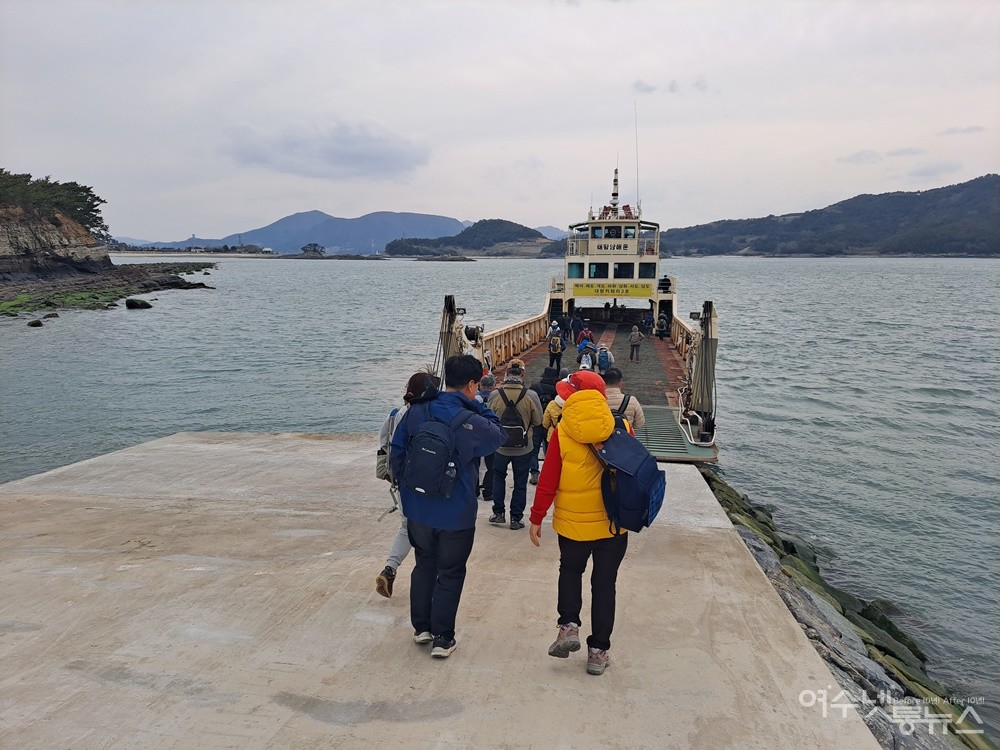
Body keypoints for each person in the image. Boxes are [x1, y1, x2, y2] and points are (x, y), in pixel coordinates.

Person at [390, 354, 505, 658]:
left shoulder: (416, 411)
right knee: (451, 571)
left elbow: (396, 455)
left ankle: (422, 628)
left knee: (424, 563)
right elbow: (498, 435)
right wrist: (478, 403)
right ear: (471, 384)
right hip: (455, 510)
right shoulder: (471, 419)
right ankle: (443, 638)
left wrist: (408, 493)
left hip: (418, 508)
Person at [528, 369, 631, 676]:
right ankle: (598, 653)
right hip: (614, 523)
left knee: (570, 571)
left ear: (572, 396)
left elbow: (548, 479)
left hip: (572, 524)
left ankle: (568, 627)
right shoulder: (621, 425)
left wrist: (536, 517)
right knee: (604, 585)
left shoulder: (561, 430)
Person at [375, 371, 440, 598]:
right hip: (430, 480)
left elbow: (383, 442)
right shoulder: (429, 414)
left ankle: (390, 568)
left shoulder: (394, 415)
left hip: (402, 480)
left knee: (406, 526)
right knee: (435, 528)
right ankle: (433, 578)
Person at [487, 358, 543, 530]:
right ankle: (516, 518)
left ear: (507, 374)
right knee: (520, 482)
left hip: (500, 446)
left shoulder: (495, 395)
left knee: (498, 477)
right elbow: (539, 420)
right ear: (522, 374)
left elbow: (488, 419)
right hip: (524, 448)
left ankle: (498, 513)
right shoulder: (531, 395)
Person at [528, 366, 560, 484]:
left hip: (536, 423)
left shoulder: (534, 388)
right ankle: (549, 474)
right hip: (551, 425)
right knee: (550, 451)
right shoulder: (556, 389)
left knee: (534, 450)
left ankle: (535, 472)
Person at [476, 373, 498, 502]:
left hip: (476, 434)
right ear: (494, 386)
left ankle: (474, 490)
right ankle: (488, 491)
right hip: (491, 433)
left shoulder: (475, 398)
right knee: (492, 465)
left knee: (474, 463)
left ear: (480, 385)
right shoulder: (496, 398)